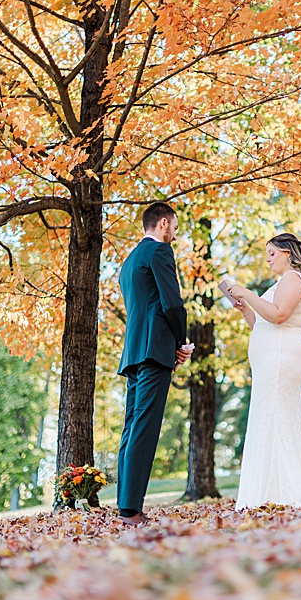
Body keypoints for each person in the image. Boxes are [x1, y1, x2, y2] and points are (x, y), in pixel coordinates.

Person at [219, 234, 301, 509]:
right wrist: (246, 308)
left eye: (272, 253)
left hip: (283, 359)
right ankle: (268, 490)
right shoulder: (280, 284)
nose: (268, 258)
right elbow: (262, 324)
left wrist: (247, 292)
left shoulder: (293, 279)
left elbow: (279, 315)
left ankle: (284, 492)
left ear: (287, 252)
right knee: (267, 420)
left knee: (278, 418)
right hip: (270, 360)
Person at [113, 202, 193, 523]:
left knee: (132, 427)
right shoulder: (159, 252)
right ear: (162, 224)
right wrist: (180, 343)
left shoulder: (129, 261)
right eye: (173, 226)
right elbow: (172, 302)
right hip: (154, 351)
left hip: (134, 352)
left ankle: (125, 505)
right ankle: (131, 510)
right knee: (144, 428)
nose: (174, 233)